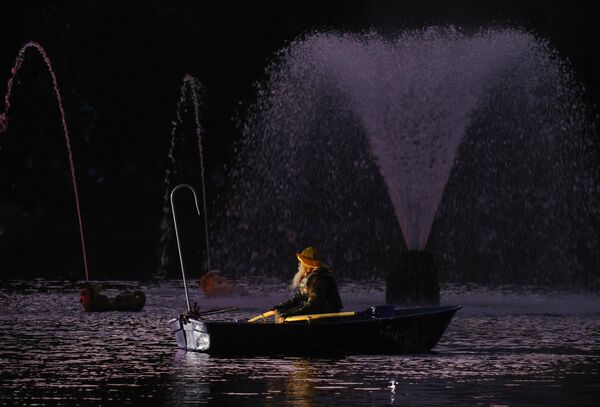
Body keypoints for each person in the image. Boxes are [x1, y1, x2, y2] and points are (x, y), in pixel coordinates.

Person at [272, 246, 343, 321]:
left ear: (307, 264)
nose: (299, 265)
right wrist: (280, 307)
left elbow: (313, 305)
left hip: (325, 317)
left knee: (284, 315)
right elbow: (296, 300)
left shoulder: (320, 279)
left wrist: (290, 314)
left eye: (301, 262)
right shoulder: (311, 278)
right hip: (314, 312)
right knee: (280, 312)